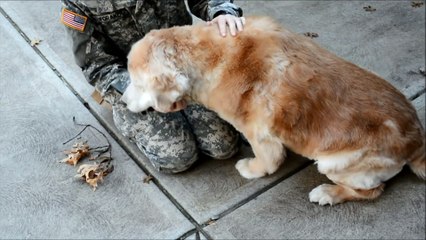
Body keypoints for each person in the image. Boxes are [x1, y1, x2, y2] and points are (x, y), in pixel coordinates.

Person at [60, 0, 245, 173]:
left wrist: (222, 12)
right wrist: (145, 94)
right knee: (178, 157)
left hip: (182, 64)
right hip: (134, 84)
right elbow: (98, 67)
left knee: (224, 145)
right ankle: (124, 114)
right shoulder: (76, 4)